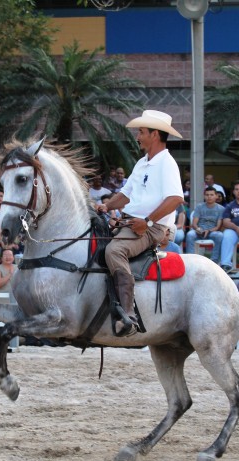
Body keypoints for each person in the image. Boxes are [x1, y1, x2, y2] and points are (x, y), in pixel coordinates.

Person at [97, 109, 183, 336]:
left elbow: (175, 198)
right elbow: (125, 195)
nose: (138, 136)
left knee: (114, 252)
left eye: (141, 132)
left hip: (151, 228)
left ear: (155, 135)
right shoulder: (142, 163)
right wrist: (107, 206)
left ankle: (128, 314)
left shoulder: (167, 163)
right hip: (133, 223)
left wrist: (147, 221)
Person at [185, 187, 224, 263]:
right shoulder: (199, 207)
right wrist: (199, 230)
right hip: (200, 231)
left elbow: (218, 226)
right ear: (204, 196)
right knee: (190, 234)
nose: (209, 197)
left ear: (216, 196)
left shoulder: (221, 209)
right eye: (207, 195)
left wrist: (209, 231)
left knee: (220, 235)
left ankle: (214, 260)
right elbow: (194, 223)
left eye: (211, 195)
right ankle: (191, 260)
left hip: (212, 231)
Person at [0, 248, 18, 344]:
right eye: (5, 255)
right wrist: (9, 275)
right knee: (1, 322)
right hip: (0, 299)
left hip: (15, 299)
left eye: (10, 255)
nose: (8, 257)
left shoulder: (18, 267)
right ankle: (1, 343)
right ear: (1, 258)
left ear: (13, 257)